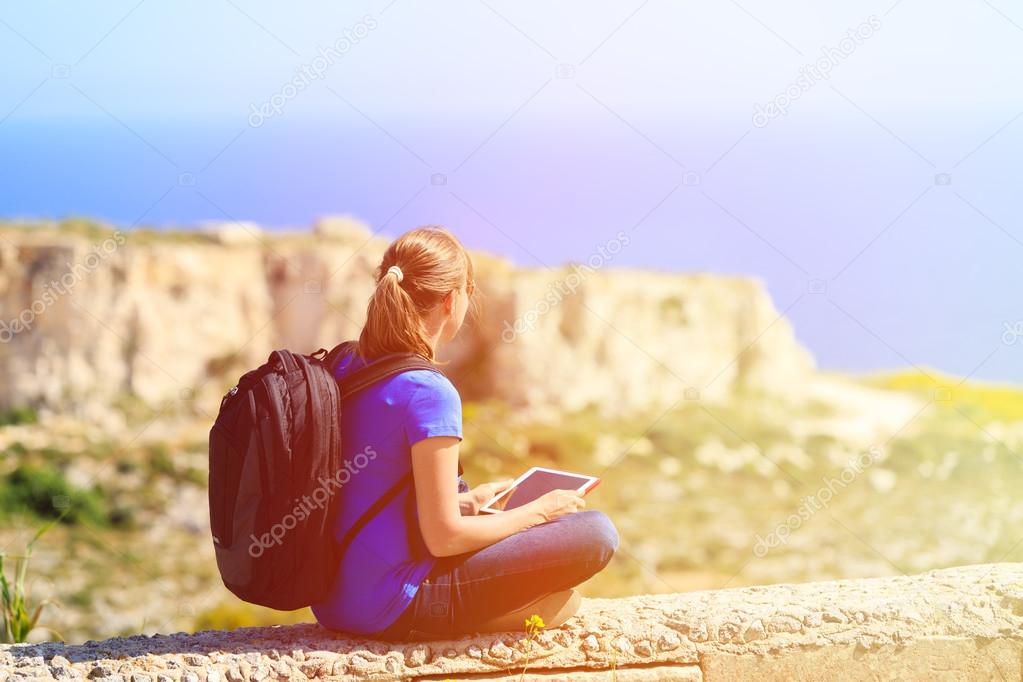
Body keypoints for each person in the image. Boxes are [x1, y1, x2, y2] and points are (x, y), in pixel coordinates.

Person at [310, 225, 619, 641]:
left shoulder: (346, 366)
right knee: (595, 534)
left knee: (544, 570)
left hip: (332, 602)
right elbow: (444, 537)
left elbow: (372, 489)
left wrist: (466, 502)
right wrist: (539, 511)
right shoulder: (428, 391)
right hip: (393, 606)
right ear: (452, 299)